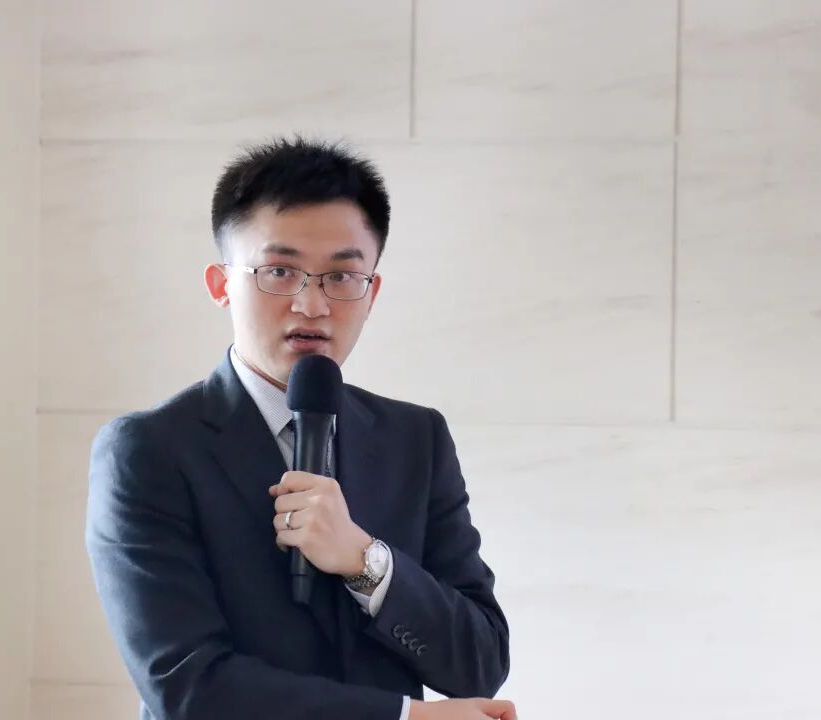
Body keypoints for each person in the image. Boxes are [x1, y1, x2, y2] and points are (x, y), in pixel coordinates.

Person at [86, 137, 515, 720]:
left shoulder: (416, 439)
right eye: (280, 272)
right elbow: (185, 687)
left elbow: (480, 663)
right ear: (221, 284)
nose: (312, 305)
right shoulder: (148, 450)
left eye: (342, 276)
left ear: (371, 292)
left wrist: (365, 559)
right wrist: (404, 718)